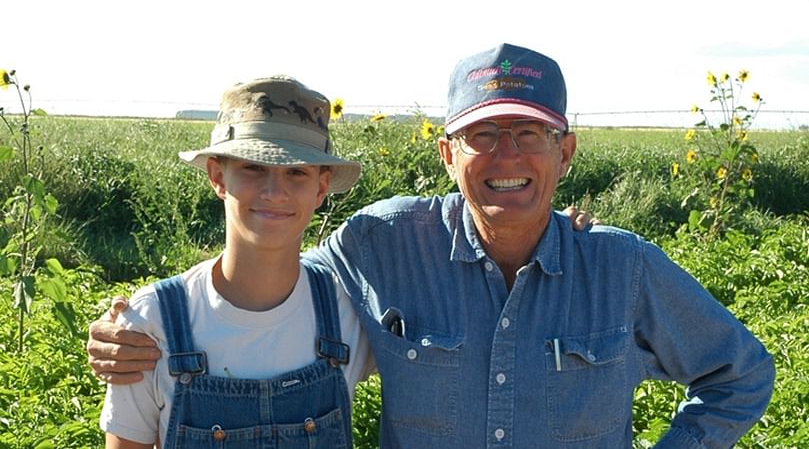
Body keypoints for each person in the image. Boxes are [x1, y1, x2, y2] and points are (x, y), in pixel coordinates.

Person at [89, 44, 774, 448]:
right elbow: (268, 276)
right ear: (447, 153)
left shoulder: (620, 265)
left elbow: (740, 373)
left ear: (564, 151)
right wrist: (134, 322)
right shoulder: (383, 243)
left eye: (528, 133)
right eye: (483, 134)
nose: (506, 153)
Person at [99, 76, 375, 448]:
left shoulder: (348, 313)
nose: (274, 192)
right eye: (253, 167)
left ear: (321, 188)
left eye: (297, 172)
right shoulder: (153, 324)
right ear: (218, 176)